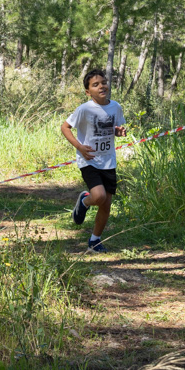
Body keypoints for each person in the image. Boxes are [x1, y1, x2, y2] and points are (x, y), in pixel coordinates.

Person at [61, 68, 126, 252]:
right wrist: (79, 147)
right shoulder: (84, 109)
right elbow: (65, 127)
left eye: (103, 82)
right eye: (95, 85)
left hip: (108, 161)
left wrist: (118, 131)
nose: (101, 86)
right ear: (88, 92)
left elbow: (113, 128)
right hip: (89, 159)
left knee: (106, 204)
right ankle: (84, 201)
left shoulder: (115, 107)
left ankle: (94, 241)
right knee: (98, 196)